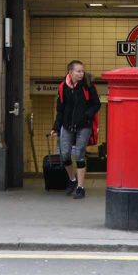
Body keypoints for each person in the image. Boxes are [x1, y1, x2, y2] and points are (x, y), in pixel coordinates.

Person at [49, 60, 101, 199]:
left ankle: (81, 187)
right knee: (64, 155)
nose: (81, 73)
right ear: (70, 72)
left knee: (79, 154)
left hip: (84, 126)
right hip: (67, 126)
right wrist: (56, 127)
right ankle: (72, 180)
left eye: (82, 71)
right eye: (78, 71)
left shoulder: (88, 86)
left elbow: (96, 104)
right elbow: (60, 110)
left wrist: (86, 116)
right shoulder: (62, 88)